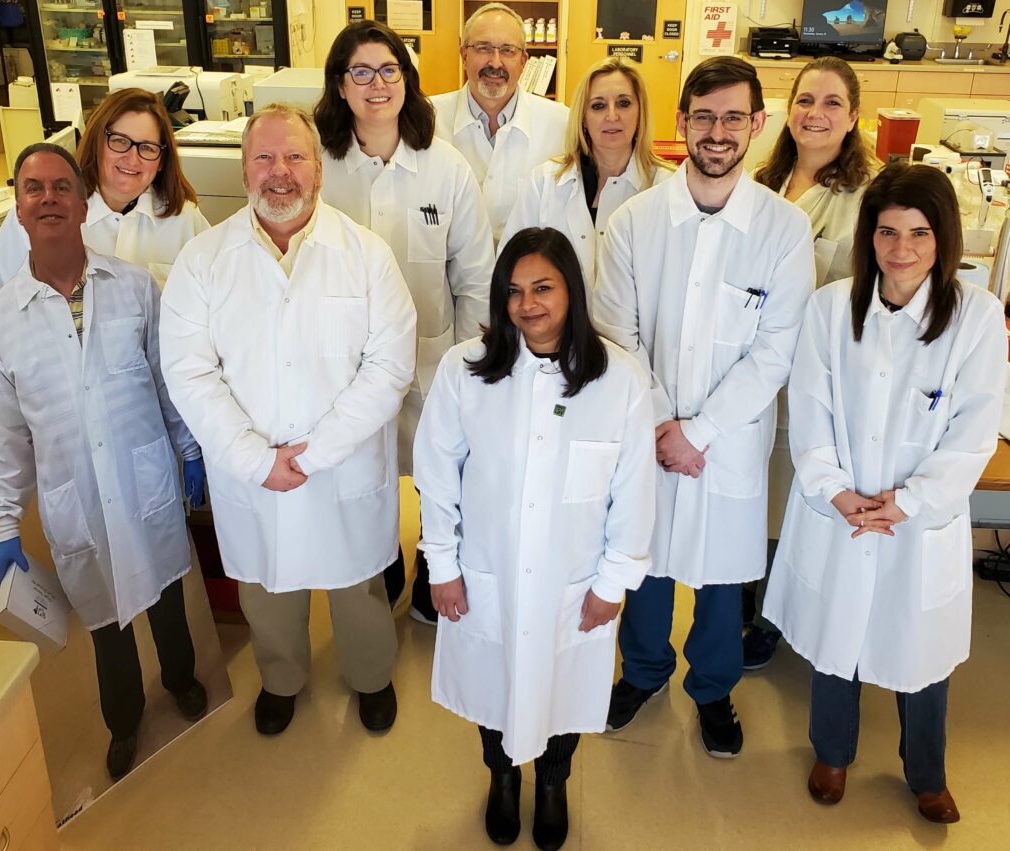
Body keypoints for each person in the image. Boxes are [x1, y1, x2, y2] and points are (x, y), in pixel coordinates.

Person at [159, 104, 416, 737]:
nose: (281, 173)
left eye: (295, 157)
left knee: (358, 584)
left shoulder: (366, 254)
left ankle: (370, 675)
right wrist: (253, 458)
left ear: (318, 169)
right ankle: (281, 678)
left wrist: (313, 453)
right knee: (266, 587)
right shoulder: (203, 261)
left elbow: (388, 368)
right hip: (251, 470)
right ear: (243, 167)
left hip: (344, 463)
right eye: (265, 157)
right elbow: (189, 373)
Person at [763, 163, 1006, 824]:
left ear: (944, 238)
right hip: (840, 511)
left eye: (919, 233)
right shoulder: (829, 307)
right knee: (835, 640)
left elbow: (974, 427)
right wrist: (836, 491)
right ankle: (832, 752)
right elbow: (809, 408)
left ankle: (926, 771)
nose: (901, 248)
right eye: (888, 231)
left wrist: (912, 500)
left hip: (915, 518)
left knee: (922, 654)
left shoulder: (976, 317)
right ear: (869, 235)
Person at [592, 57, 815, 756]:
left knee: (722, 576)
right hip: (648, 433)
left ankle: (713, 688)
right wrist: (662, 425)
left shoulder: (783, 229)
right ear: (682, 122)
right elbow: (615, 332)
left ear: (756, 125)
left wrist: (699, 430)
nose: (717, 133)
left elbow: (776, 350)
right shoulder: (634, 221)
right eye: (704, 116)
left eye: (733, 118)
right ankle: (647, 669)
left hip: (727, 442)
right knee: (646, 562)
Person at [415, 227, 655, 851]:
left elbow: (633, 491)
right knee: (495, 683)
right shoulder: (466, 371)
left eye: (543, 287)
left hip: (572, 581)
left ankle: (552, 780)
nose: (529, 305)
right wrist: (441, 564)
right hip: (486, 569)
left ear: (572, 291)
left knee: (565, 685)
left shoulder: (620, 379)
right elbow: (436, 471)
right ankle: (500, 778)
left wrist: (612, 582)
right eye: (514, 291)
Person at [0, 143, 208, 781]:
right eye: (34, 190)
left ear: (84, 204)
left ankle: (182, 678)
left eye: (61, 187)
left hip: (146, 480)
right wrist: (4, 523)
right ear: (19, 211)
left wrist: (189, 450)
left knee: (166, 594)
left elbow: (167, 383)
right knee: (104, 617)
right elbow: (2, 433)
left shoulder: (134, 287)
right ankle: (124, 718)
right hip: (73, 494)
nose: (49, 199)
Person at [315, 19, 494, 619]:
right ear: (340, 86)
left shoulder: (445, 168)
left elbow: (473, 276)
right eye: (359, 72)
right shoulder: (317, 164)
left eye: (388, 69)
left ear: (407, 81)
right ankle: (382, 561)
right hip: (341, 364)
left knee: (436, 473)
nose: (376, 84)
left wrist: (469, 361)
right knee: (363, 473)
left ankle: (431, 569)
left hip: (430, 356)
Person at [745, 56, 881, 669]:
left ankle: (775, 619)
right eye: (805, 101)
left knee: (796, 494)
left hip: (820, 378)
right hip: (752, 367)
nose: (815, 114)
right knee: (754, 489)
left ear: (853, 117)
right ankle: (750, 602)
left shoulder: (869, 196)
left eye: (831, 103)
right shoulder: (760, 178)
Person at [0, 88, 208, 296]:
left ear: (161, 161)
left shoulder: (184, 219)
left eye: (148, 148)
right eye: (120, 141)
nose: (132, 158)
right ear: (97, 143)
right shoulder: (36, 214)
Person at [499, 55, 670, 294]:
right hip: (556, 329)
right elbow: (510, 268)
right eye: (598, 106)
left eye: (624, 103)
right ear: (583, 118)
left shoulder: (666, 187)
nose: (612, 116)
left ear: (641, 112)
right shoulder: (545, 182)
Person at [431, 2, 569, 242]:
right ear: (464, 55)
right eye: (483, 48)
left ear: (524, 61)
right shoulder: (428, 118)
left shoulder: (561, 123)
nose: (495, 63)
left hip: (528, 274)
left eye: (508, 50)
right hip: (448, 274)